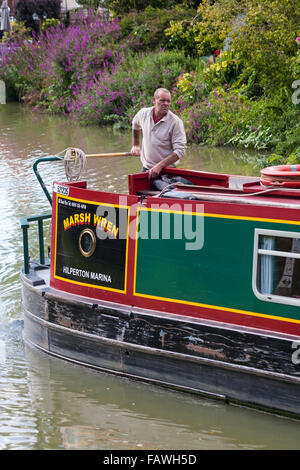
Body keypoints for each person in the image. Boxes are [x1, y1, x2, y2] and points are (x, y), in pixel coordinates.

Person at [130, 88, 186, 179]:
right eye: (162, 100)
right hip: (147, 169)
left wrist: (160, 165)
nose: (166, 104)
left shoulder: (176, 122)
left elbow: (180, 151)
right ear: (154, 100)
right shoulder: (143, 114)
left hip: (168, 171)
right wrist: (135, 145)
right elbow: (135, 124)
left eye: (168, 101)